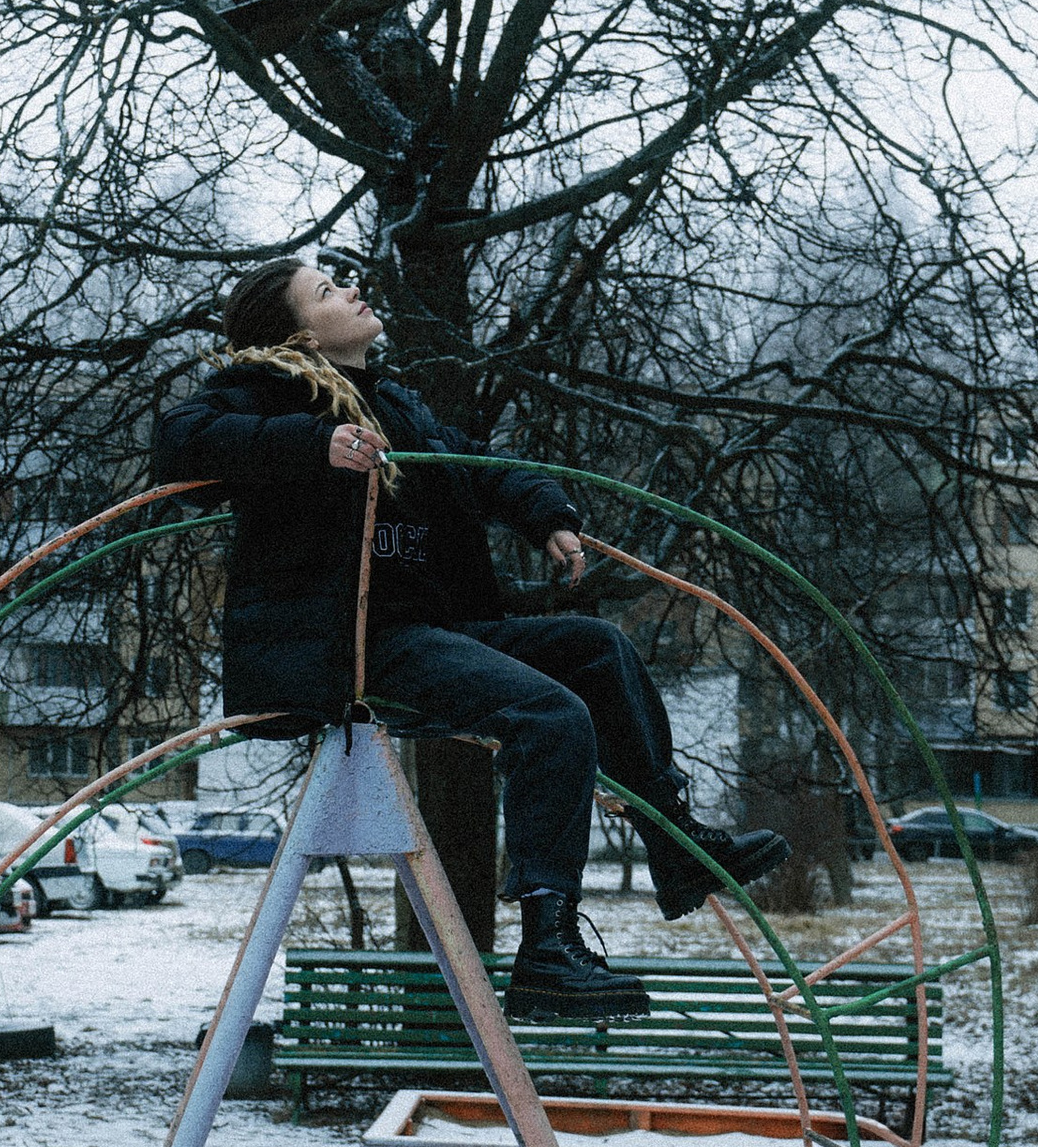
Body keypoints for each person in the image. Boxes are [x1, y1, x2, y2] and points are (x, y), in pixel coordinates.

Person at [152, 255, 789, 1019]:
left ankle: (678, 851)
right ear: (298, 334)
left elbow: (480, 468)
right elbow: (180, 441)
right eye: (328, 291)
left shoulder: (399, 405)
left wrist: (547, 514)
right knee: (550, 716)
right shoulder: (264, 394)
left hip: (440, 626)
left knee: (597, 647)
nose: (353, 291)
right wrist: (307, 444)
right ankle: (547, 947)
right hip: (354, 643)